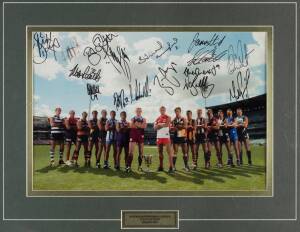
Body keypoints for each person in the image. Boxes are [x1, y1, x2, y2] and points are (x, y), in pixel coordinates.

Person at [154, 106, 174, 173]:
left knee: (169, 152)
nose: (162, 111)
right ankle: (161, 167)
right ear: (159, 110)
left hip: (166, 137)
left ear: (165, 110)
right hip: (159, 137)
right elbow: (154, 128)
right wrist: (160, 125)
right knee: (160, 152)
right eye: (161, 110)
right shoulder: (157, 118)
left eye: (163, 110)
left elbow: (167, 124)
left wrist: (159, 125)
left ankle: (171, 167)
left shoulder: (168, 117)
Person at [127, 107, 147, 172]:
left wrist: (136, 124)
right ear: (135, 111)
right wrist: (139, 125)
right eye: (137, 111)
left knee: (141, 152)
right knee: (130, 152)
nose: (138, 112)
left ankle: (140, 166)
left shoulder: (144, 119)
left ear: (141, 111)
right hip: (133, 135)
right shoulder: (133, 118)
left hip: (141, 136)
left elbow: (144, 126)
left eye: (139, 111)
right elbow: (131, 126)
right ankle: (129, 167)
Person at [170, 107, 190, 171]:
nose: (177, 112)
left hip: (182, 135)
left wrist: (179, 127)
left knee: (185, 152)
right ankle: (173, 167)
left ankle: (186, 166)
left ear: (180, 112)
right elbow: (172, 129)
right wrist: (173, 129)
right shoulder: (173, 120)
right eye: (176, 111)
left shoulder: (183, 118)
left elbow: (186, 127)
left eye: (178, 111)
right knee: (175, 152)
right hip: (176, 136)